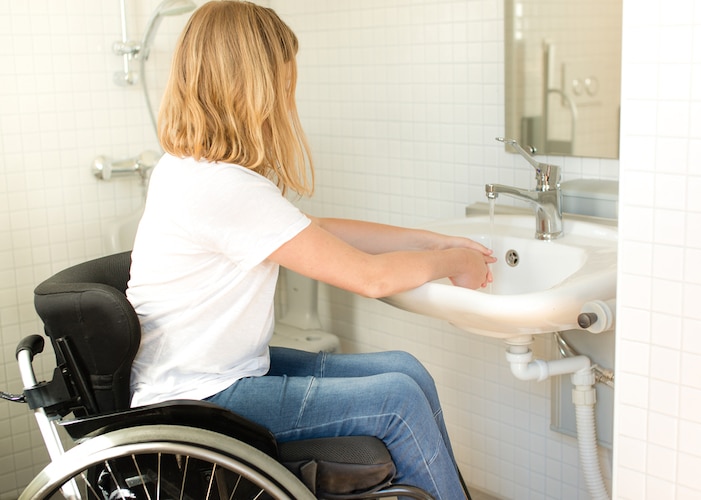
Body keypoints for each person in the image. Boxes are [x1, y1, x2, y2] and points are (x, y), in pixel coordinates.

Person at [126, 2, 496, 498]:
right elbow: (372, 278)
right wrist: (456, 261)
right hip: (200, 400)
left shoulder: (191, 168)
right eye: (283, 81)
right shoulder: (222, 187)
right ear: (254, 85)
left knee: (407, 369)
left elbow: (313, 229)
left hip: (212, 377)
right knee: (398, 399)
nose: (288, 95)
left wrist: (430, 241)